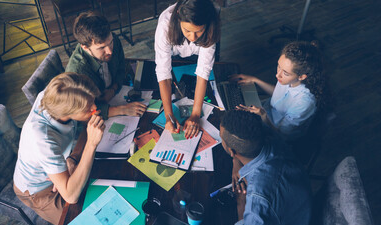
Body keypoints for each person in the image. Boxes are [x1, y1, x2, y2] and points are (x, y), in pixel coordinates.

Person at [13, 72, 105, 225]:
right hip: (39, 190)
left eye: (93, 102)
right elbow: (70, 196)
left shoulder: (56, 96)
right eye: (88, 108)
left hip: (60, 163)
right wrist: (91, 144)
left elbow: (84, 124)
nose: (95, 108)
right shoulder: (42, 139)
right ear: (67, 112)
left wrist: (73, 157)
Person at [219, 110, 312, 225]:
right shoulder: (270, 138)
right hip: (299, 204)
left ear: (232, 151)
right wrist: (236, 160)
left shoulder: (259, 199)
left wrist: (241, 203)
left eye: (221, 138)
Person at [231, 41, 327, 140]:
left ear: (301, 76)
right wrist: (255, 80)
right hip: (266, 110)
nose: (278, 75)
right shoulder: (288, 79)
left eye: (285, 73)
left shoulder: (305, 103)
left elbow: (281, 134)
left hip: (274, 131)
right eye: (278, 66)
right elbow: (279, 95)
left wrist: (264, 117)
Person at [155, 0, 220, 138]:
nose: (192, 37)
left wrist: (196, 114)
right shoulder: (165, 26)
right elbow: (163, 72)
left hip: (197, 56)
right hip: (173, 57)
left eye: (198, 31)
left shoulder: (210, 24)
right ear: (178, 16)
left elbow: (203, 72)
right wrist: (169, 116)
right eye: (187, 30)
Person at [66, 11, 146, 119]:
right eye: (101, 48)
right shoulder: (76, 71)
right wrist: (122, 109)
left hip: (117, 93)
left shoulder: (114, 39)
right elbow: (81, 112)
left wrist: (113, 89)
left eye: (110, 43)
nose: (109, 51)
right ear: (85, 47)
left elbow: (122, 68)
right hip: (101, 113)